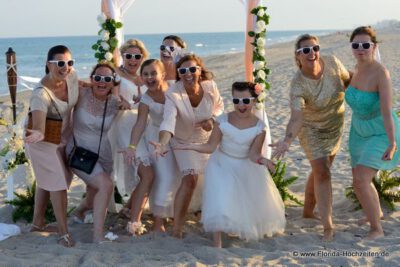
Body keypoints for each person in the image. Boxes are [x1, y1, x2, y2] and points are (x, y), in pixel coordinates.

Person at [175, 82, 286, 247]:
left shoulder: (259, 127)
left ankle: (234, 228)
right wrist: (190, 146)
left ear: (254, 101)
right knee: (219, 197)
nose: (241, 105)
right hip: (221, 163)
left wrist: (264, 160)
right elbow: (211, 146)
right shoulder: (222, 120)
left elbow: (253, 154)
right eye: (237, 101)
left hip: (245, 164)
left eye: (246, 101)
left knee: (242, 201)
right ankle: (217, 242)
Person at [270, 34, 350, 241]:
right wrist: (287, 140)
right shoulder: (297, 84)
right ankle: (328, 227)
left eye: (315, 48)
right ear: (297, 56)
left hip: (335, 125)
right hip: (311, 129)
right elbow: (296, 118)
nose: (311, 53)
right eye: (305, 50)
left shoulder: (332, 62)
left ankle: (308, 211)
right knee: (323, 173)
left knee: (321, 170)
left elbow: (349, 80)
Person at [152, 54, 224, 238]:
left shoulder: (210, 86)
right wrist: (162, 143)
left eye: (192, 69)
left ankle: (214, 220)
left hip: (208, 138)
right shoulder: (173, 94)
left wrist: (212, 119)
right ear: (178, 73)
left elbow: (219, 107)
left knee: (215, 179)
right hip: (183, 140)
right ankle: (177, 227)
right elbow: (168, 121)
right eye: (183, 70)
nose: (188, 73)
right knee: (190, 178)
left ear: (200, 70)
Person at [345, 26, 400, 239]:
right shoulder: (355, 69)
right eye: (356, 45)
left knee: (361, 179)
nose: (361, 49)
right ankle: (374, 213)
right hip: (358, 132)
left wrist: (392, 142)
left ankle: (376, 229)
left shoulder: (381, 73)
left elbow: (387, 111)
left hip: (380, 132)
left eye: (365, 45)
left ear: (374, 46)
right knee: (357, 180)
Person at [24, 45, 79, 247]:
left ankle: (38, 222)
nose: (66, 67)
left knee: (50, 179)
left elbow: (78, 85)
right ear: (49, 65)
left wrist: (94, 87)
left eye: (69, 63)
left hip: (61, 135)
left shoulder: (71, 76)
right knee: (58, 183)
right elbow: (38, 119)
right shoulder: (40, 94)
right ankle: (63, 232)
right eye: (60, 63)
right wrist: (38, 131)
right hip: (40, 141)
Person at [119, 59, 180, 233]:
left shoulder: (174, 88)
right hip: (155, 139)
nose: (149, 77)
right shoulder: (145, 99)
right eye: (145, 74)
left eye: (153, 73)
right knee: (164, 177)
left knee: (175, 176)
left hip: (176, 136)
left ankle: (169, 211)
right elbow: (139, 124)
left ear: (163, 75)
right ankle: (158, 220)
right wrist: (132, 145)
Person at [66, 63, 120, 243]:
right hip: (78, 151)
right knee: (105, 185)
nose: (101, 82)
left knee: (94, 192)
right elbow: (69, 76)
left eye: (107, 79)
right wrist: (87, 85)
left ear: (113, 82)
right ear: (91, 78)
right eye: (97, 78)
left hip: (102, 153)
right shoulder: (81, 93)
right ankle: (98, 235)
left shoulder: (116, 102)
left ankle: (80, 211)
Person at [107, 39, 150, 208]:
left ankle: (131, 207)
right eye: (129, 56)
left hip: (144, 125)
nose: (133, 60)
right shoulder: (115, 74)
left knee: (147, 168)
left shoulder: (145, 76)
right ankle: (128, 208)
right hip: (123, 125)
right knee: (136, 165)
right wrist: (117, 100)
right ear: (123, 56)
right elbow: (106, 92)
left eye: (137, 56)